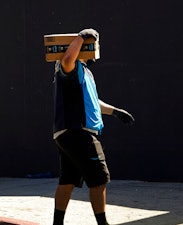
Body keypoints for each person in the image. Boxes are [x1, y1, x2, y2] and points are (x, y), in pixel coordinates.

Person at [51, 28, 135, 225]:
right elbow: (66, 60)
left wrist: (115, 111)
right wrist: (81, 37)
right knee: (99, 178)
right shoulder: (68, 69)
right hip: (78, 132)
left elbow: (92, 101)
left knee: (68, 180)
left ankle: (57, 223)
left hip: (67, 134)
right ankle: (102, 223)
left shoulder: (85, 73)